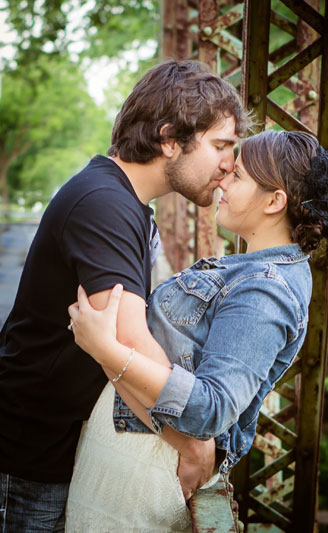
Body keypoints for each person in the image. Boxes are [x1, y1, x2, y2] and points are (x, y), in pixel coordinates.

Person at [0, 59, 250, 532]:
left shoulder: (124, 202)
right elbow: (127, 342)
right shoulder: (104, 204)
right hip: (26, 457)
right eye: (220, 145)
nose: (228, 164)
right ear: (170, 138)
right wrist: (192, 443)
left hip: (49, 447)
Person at [64, 130, 328, 531]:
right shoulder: (254, 270)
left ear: (275, 201)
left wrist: (107, 350)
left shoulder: (266, 289)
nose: (223, 179)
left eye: (238, 176)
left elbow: (211, 409)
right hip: (134, 459)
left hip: (144, 473)